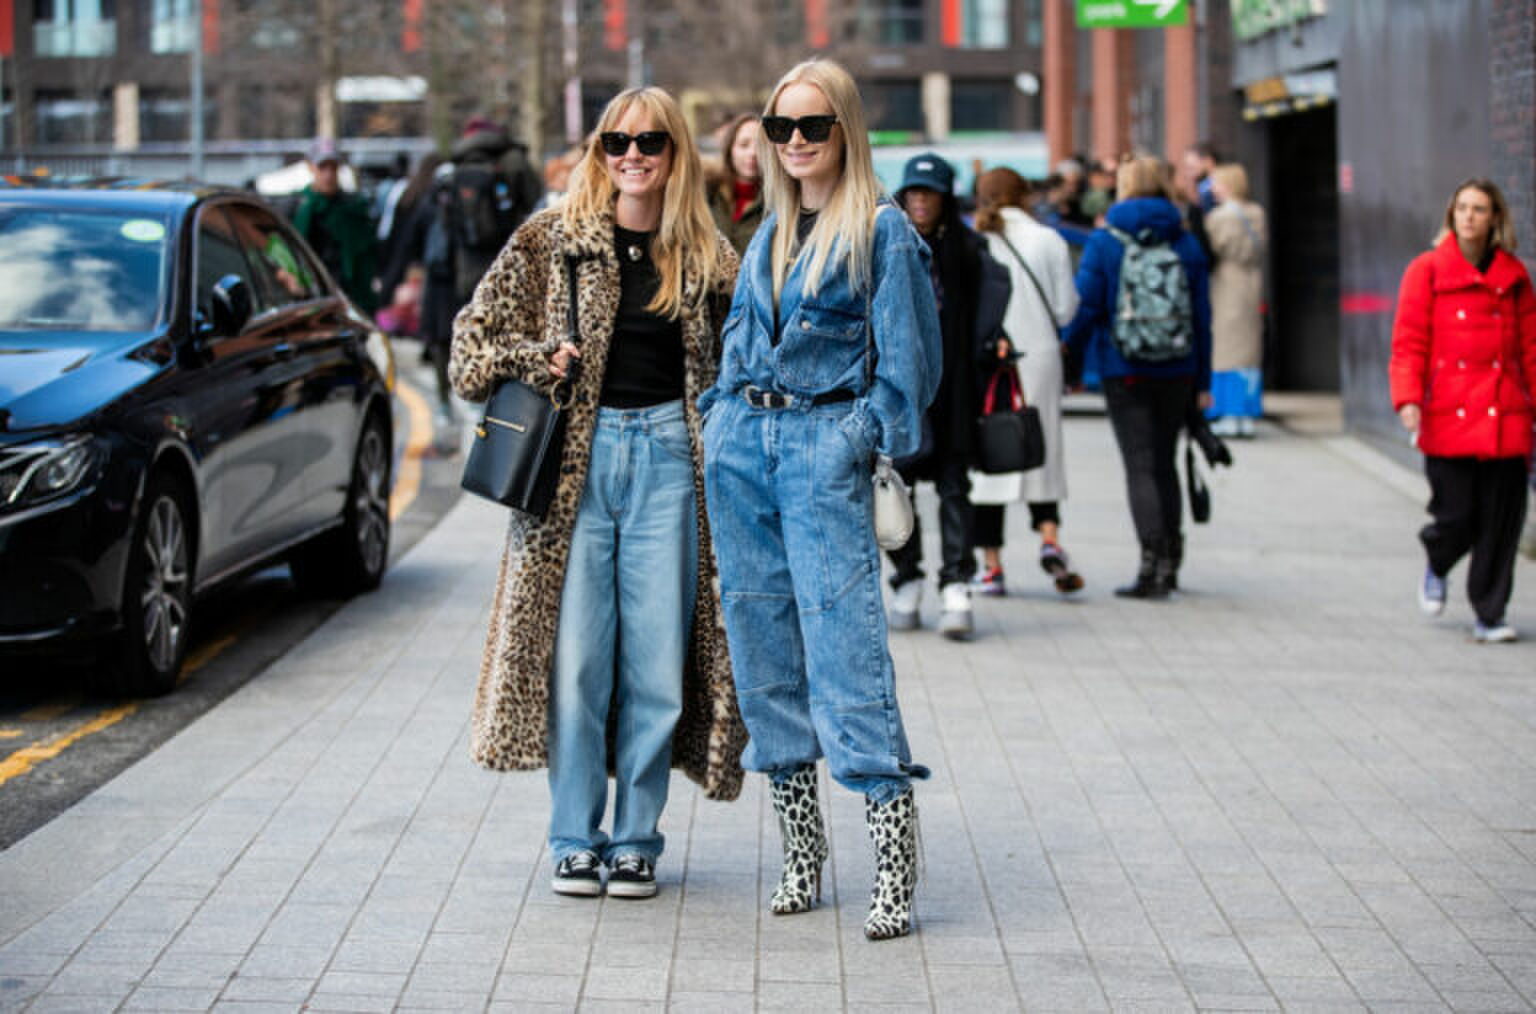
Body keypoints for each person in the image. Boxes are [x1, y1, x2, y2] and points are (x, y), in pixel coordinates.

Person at [449, 86, 745, 898]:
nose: (634, 157)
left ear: (677, 153)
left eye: (651, 142)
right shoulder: (552, 241)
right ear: (599, 151)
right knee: (580, 662)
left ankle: (637, 837)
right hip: (574, 469)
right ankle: (574, 836)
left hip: (669, 467)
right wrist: (536, 356)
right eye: (617, 142)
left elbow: (746, 362)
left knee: (655, 663)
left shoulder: (709, 255)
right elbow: (469, 347)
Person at [699, 58, 941, 940]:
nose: (795, 142)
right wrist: (720, 416)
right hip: (742, 455)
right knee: (762, 648)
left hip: (819, 451)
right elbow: (735, 338)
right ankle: (803, 854)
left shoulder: (882, 232)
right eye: (780, 128)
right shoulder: (769, 233)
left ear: (846, 129)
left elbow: (909, 375)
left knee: (846, 651)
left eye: (813, 126)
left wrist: (852, 439)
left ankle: (893, 867)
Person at [1389, 178, 1536, 643]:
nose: (1470, 217)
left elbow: (1532, 348)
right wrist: (1408, 398)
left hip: (1505, 413)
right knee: (1456, 516)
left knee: (1502, 522)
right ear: (1451, 215)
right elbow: (1409, 342)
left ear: (1495, 218)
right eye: (1463, 208)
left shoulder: (1513, 278)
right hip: (1449, 412)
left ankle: (1490, 614)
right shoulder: (1427, 271)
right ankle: (1437, 561)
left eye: (1480, 209)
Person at [1063, 155, 1212, 599]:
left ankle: (1150, 567)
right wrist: (1203, 380)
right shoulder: (1185, 242)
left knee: (1140, 465)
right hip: (1179, 368)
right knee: (1165, 462)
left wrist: (1067, 350)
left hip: (1123, 367)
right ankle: (1172, 561)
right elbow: (1202, 317)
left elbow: (1087, 306)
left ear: (1123, 188)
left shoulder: (1106, 241)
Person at [884, 152, 1011, 639]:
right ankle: (907, 578)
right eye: (913, 192)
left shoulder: (968, 250)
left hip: (954, 386)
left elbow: (988, 307)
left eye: (929, 193)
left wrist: (987, 346)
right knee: (896, 486)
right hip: (901, 388)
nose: (920, 201)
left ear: (944, 198)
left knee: (955, 486)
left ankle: (956, 583)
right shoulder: (886, 243)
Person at [969, 167, 1083, 597]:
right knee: (1042, 450)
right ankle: (1049, 539)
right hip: (1039, 356)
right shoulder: (1048, 239)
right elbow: (1065, 309)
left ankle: (992, 567)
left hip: (991, 358)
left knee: (988, 459)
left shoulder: (978, 241)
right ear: (1025, 195)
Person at [1203, 163, 1268, 438]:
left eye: (1216, 183)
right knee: (1248, 351)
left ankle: (1227, 411)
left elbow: (1211, 249)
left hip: (1225, 285)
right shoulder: (1257, 213)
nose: (1212, 189)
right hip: (1251, 284)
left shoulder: (1218, 217)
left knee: (1225, 350)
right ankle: (1246, 412)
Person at [293, 138, 378, 313]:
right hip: (313, 299)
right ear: (310, 167)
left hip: (351, 297)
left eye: (333, 167)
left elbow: (367, 254)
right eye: (322, 167)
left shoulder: (352, 207)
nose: (328, 174)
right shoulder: (300, 207)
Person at [707, 113, 765, 255]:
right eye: (744, 145)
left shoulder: (778, 203)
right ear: (730, 149)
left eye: (760, 146)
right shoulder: (708, 193)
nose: (752, 153)